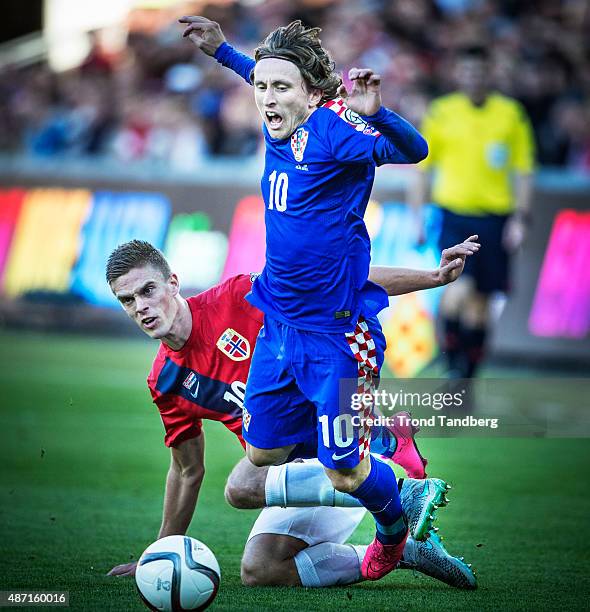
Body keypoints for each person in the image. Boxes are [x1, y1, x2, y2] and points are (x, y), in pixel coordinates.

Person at [179, 16, 432, 580]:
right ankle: (379, 452)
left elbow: (414, 150)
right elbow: (268, 74)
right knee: (262, 456)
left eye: (279, 88)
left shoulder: (336, 133)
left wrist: (377, 113)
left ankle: (394, 526)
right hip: (278, 330)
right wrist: (223, 51)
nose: (265, 97)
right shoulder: (279, 115)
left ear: (313, 94)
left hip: (335, 336)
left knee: (343, 472)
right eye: (261, 88)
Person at [106, 239, 478, 589]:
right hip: (298, 475)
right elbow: (187, 470)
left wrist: (432, 277)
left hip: (346, 451)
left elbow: (332, 284)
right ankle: (407, 551)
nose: (140, 306)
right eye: (127, 300)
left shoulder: (239, 297)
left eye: (147, 290)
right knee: (261, 569)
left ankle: (398, 488)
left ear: (172, 283)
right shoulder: (164, 381)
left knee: (242, 484)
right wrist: (159, 554)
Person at [408, 44, 535, 379]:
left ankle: (467, 376)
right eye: (466, 71)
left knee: (480, 305)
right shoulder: (442, 112)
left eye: (478, 72)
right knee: (455, 290)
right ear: (458, 74)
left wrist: (521, 217)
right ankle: (451, 365)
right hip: (454, 216)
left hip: (495, 219)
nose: (472, 78)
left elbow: (523, 170)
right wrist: (418, 216)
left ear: (488, 74)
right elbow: (423, 168)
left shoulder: (511, 114)